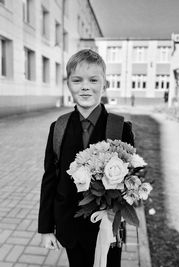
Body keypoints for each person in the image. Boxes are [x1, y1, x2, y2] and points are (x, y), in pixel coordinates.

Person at [38, 49, 135, 267]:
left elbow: (131, 180)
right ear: (68, 84)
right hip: (70, 225)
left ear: (105, 84)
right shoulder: (58, 128)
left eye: (93, 80)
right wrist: (45, 228)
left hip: (107, 228)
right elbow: (50, 179)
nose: (85, 86)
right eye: (77, 80)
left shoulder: (120, 128)